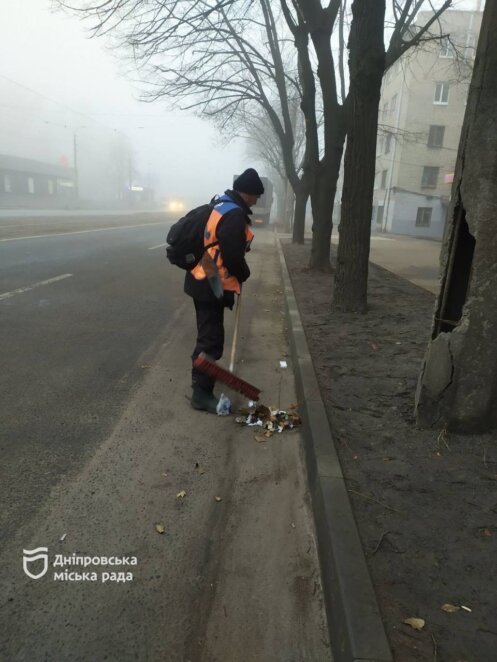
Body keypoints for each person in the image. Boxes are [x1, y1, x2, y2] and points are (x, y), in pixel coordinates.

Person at [185, 168, 265, 413]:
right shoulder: (234, 214)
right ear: (247, 192)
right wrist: (244, 273)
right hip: (211, 282)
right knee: (210, 340)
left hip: (205, 278)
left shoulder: (221, 205)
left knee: (209, 335)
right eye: (256, 195)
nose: (257, 200)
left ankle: (201, 382)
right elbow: (230, 254)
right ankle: (201, 394)